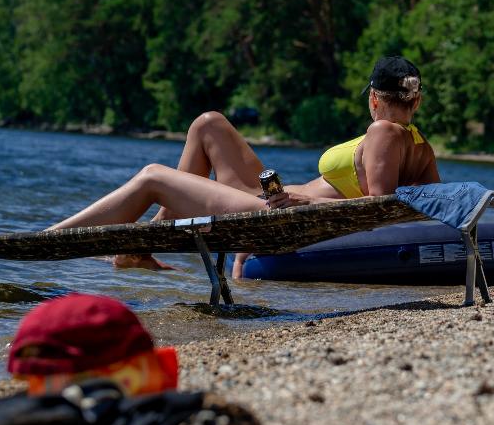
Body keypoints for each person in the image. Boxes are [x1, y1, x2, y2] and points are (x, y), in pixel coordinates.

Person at [48, 56, 440, 277]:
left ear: (373, 98)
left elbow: (377, 209)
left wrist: (306, 206)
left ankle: (50, 239)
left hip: (279, 218)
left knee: (153, 176)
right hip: (277, 204)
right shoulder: (420, 145)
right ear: (416, 101)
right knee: (209, 124)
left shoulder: (383, 131)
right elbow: (422, 211)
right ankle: (143, 246)